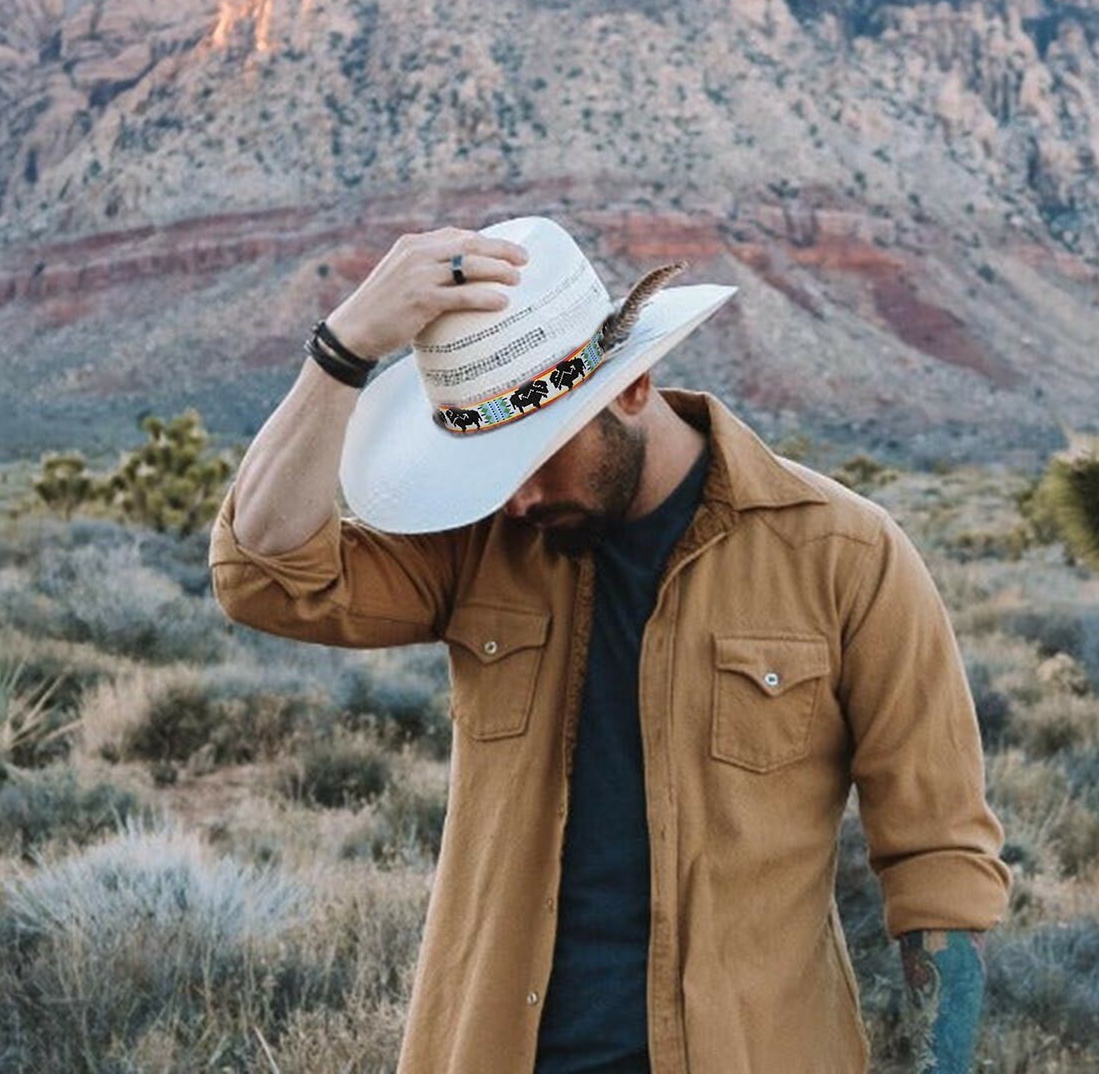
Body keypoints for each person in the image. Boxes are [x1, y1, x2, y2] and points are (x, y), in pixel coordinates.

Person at [209, 217, 1012, 1074]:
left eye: (537, 454)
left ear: (631, 388)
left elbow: (936, 855)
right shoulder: (484, 542)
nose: (514, 497)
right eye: (488, 464)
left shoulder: (845, 555)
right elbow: (266, 573)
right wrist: (345, 347)